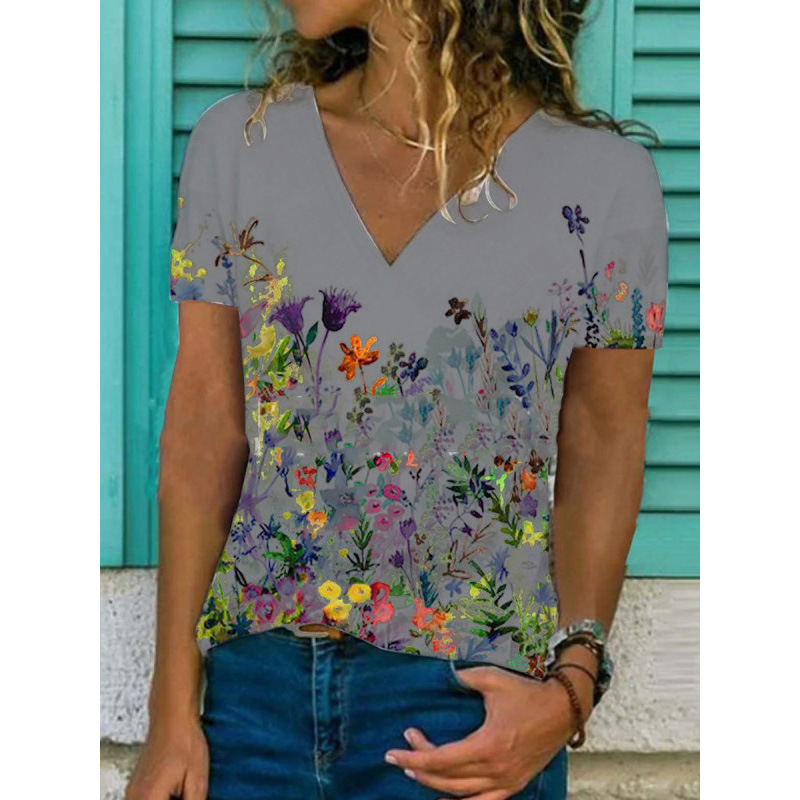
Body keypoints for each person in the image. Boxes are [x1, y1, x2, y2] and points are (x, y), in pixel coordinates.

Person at [126, 1, 669, 798]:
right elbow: (205, 432)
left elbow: (604, 443)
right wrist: (171, 711)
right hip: (249, 708)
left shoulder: (603, 184)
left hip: (468, 715)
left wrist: (570, 691)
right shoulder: (241, 146)